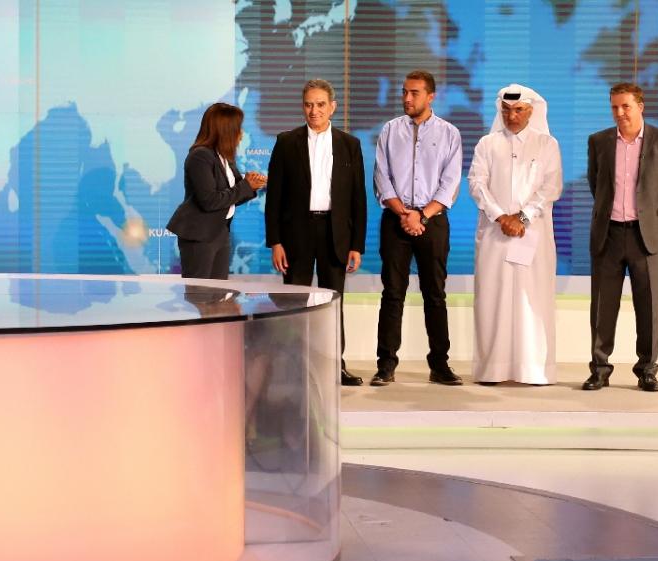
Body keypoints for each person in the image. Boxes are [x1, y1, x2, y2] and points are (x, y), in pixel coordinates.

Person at [265, 79, 368, 386]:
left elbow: (357, 200)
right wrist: (276, 242)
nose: (314, 111)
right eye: (309, 104)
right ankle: (290, 366)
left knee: (332, 302)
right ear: (303, 107)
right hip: (296, 235)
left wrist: (356, 245)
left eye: (320, 104)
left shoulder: (350, 145)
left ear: (332, 107)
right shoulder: (286, 142)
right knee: (293, 303)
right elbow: (274, 199)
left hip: (335, 233)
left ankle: (335, 366)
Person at [584, 82, 658, 392]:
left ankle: (647, 371)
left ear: (640, 106)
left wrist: (649, 215)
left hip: (647, 238)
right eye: (614, 107)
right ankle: (599, 370)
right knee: (601, 308)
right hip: (609, 235)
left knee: (649, 308)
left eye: (625, 106)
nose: (619, 112)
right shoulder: (598, 142)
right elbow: (595, 184)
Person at [371, 70, 462, 387]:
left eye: (414, 93)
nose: (407, 98)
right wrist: (404, 214)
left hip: (432, 223)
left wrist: (421, 215)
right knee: (392, 294)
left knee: (435, 295)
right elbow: (382, 178)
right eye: (404, 92)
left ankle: (440, 365)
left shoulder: (449, 133)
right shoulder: (389, 130)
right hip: (395, 221)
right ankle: (386, 365)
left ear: (431, 96)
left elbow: (450, 184)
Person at [468, 84, 563, 385]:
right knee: (492, 299)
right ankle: (491, 369)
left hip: (531, 235)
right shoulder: (487, 144)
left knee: (530, 300)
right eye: (506, 110)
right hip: (495, 235)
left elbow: (551, 187)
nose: (512, 115)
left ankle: (532, 370)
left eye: (519, 109)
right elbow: (476, 183)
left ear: (531, 111)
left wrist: (522, 217)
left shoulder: (547, 145)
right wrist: (500, 216)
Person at [167, 102, 267, 279]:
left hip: (220, 234)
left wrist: (252, 186)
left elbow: (232, 196)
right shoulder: (200, 156)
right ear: (225, 130)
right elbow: (210, 200)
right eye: (238, 128)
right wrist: (245, 186)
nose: (241, 134)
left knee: (218, 295)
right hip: (199, 236)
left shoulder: (224, 157)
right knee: (200, 296)